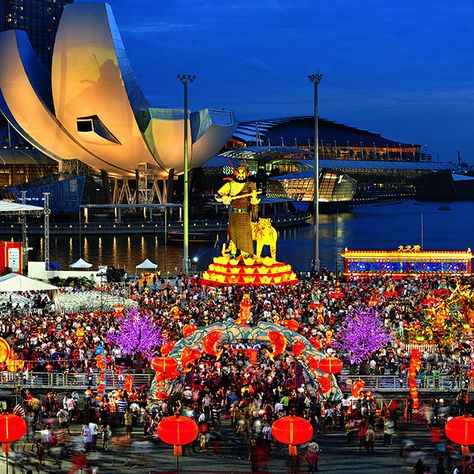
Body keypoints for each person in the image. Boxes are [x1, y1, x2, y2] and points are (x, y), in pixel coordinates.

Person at [215, 164, 260, 257]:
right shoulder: (230, 185)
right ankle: (233, 254)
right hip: (234, 213)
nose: (240, 175)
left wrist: (254, 201)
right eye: (238, 173)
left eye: (242, 173)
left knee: (245, 234)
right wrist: (224, 197)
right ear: (235, 174)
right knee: (233, 233)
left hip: (245, 214)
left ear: (247, 174)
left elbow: (254, 199)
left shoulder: (250, 185)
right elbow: (217, 195)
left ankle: (246, 254)